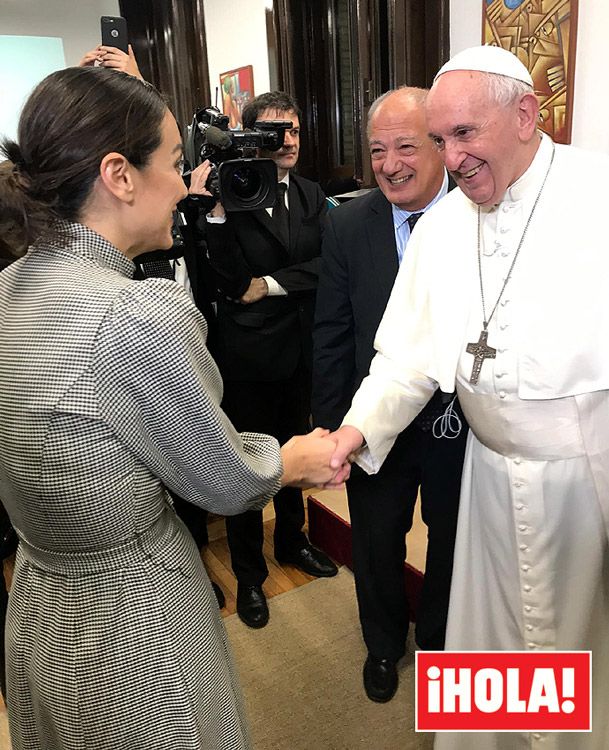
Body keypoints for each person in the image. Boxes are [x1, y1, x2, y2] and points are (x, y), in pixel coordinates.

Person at [0, 66, 342, 750]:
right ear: (119, 175)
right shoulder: (134, 310)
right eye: (179, 165)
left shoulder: (9, 284)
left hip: (39, 602)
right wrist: (295, 456)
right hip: (131, 612)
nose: (186, 185)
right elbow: (225, 478)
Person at [329, 45, 609, 750]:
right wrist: (354, 431)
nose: (449, 159)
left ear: (523, 114)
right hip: (487, 480)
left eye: (464, 134)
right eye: (440, 139)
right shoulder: (446, 224)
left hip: (586, 482)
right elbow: (405, 358)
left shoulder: (596, 194)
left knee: (583, 651)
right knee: (488, 642)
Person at [312, 87, 468, 703]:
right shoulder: (348, 222)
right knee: (376, 543)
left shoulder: (475, 216)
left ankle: (437, 645)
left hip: (459, 425)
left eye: (406, 146)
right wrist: (332, 426)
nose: (391, 164)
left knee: (452, 539)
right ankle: (382, 645)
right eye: (378, 151)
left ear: (440, 147)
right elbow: (331, 330)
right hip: (372, 421)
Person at [194, 91, 338, 630]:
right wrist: (216, 213)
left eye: (296, 130)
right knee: (250, 466)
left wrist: (272, 284)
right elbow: (227, 283)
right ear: (251, 138)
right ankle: (250, 574)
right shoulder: (235, 191)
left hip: (303, 348)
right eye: (277, 131)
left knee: (297, 451)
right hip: (248, 357)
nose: (290, 141)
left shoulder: (311, 193)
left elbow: (327, 264)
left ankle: (293, 543)